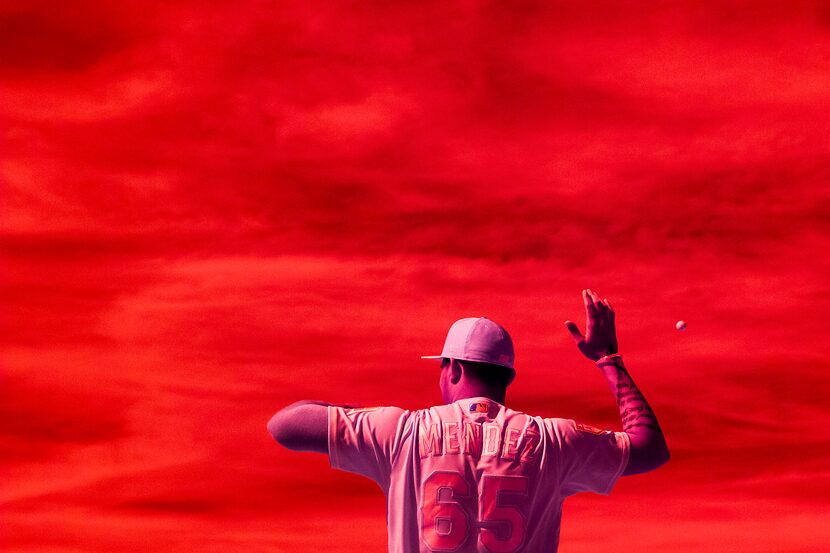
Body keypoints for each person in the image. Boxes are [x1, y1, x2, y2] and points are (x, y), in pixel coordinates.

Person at [267, 289, 670, 552]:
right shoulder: (552, 440)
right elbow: (650, 448)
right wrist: (608, 359)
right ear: (507, 378)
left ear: (453, 370)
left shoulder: (403, 431)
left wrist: (365, 420)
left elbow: (284, 425)